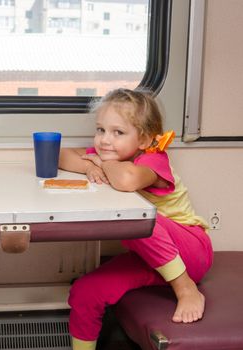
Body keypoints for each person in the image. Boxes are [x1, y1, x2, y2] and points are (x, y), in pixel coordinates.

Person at [58, 88, 213, 350]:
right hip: (153, 259)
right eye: (100, 130)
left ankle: (186, 288)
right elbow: (62, 155)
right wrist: (88, 165)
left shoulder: (154, 160)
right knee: (85, 292)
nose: (104, 140)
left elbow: (128, 180)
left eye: (118, 132)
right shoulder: (114, 156)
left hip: (191, 253)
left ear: (144, 139)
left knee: (136, 218)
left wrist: (99, 161)